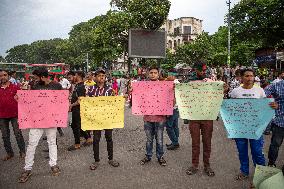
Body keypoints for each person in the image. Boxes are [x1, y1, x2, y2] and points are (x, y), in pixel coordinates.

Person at [229, 68, 278, 180]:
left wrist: (273, 106)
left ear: (254, 78)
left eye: (251, 76)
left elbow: (265, 106)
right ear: (241, 78)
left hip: (255, 127)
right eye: (246, 76)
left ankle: (261, 173)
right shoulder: (236, 92)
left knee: (257, 151)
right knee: (242, 152)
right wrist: (231, 128)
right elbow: (230, 109)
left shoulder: (260, 91)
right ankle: (244, 172)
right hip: (240, 128)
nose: (249, 78)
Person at [18, 68, 62, 183]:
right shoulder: (34, 85)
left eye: (36, 77)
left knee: (52, 142)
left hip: (51, 120)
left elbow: (61, 100)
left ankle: (53, 164)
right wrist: (21, 97)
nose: (34, 80)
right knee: (32, 144)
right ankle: (27, 169)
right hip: (37, 120)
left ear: (42, 77)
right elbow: (29, 101)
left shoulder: (57, 86)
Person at [185, 61, 223, 177]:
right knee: (195, 143)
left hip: (207, 116)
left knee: (207, 142)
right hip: (194, 117)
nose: (202, 72)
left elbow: (219, 93)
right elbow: (182, 93)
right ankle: (194, 165)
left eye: (204, 70)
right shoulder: (189, 82)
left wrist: (224, 89)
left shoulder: (211, 81)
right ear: (195, 70)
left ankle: (207, 165)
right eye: (200, 70)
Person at [88, 69, 120, 170]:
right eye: (99, 75)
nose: (101, 77)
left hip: (107, 118)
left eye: (103, 75)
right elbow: (86, 103)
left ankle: (111, 159)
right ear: (95, 77)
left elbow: (115, 102)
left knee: (109, 138)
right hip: (96, 118)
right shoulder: (90, 89)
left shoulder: (110, 90)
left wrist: (121, 98)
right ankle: (96, 160)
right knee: (96, 139)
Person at [140, 66, 167, 166]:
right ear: (148, 74)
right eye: (151, 72)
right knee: (149, 139)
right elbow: (138, 97)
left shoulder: (164, 86)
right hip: (147, 117)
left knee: (159, 139)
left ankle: (160, 157)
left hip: (160, 118)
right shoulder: (143, 86)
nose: (153, 74)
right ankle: (148, 155)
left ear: (158, 74)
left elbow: (169, 98)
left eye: (155, 73)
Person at [0, 69, 26, 161]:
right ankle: (9, 153)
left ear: (8, 76)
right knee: (5, 135)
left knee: (18, 133)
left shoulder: (16, 87)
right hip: (2, 116)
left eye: (4, 75)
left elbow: (23, 100)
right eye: (1, 75)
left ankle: (22, 152)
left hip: (15, 114)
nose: (3, 77)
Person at [68, 71, 92, 151]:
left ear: (78, 76)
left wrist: (71, 105)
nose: (73, 77)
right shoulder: (77, 85)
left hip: (78, 109)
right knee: (78, 125)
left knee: (75, 126)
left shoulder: (81, 86)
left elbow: (80, 100)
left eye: (75, 75)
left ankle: (77, 144)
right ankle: (88, 138)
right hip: (76, 109)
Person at [264, 75, 284, 167]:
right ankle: (271, 164)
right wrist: (270, 102)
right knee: (275, 145)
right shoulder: (276, 85)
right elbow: (261, 95)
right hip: (280, 123)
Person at [165, 75, 180, 150]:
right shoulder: (177, 83)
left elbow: (173, 99)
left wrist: (169, 110)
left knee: (169, 126)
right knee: (174, 126)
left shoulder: (173, 84)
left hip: (172, 109)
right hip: (177, 109)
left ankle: (175, 143)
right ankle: (175, 141)